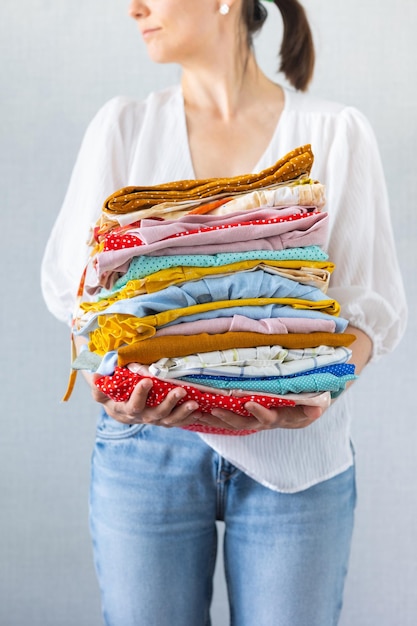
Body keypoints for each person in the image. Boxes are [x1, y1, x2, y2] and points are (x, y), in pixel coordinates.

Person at [41, 1, 407, 624]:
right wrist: (110, 387)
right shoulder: (123, 127)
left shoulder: (336, 132)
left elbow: (370, 310)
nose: (135, 8)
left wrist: (319, 387)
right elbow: (80, 298)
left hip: (297, 454)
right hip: (146, 442)